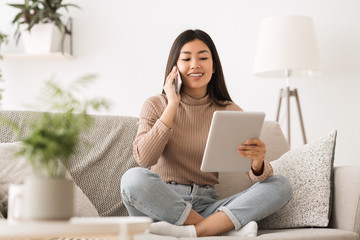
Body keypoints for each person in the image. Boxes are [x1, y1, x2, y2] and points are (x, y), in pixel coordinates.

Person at [121, 29, 292, 238]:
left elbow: (255, 175)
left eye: (203, 57)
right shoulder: (156, 105)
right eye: (186, 58)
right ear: (174, 67)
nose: (195, 65)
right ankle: (216, 228)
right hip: (163, 204)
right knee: (132, 178)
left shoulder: (230, 110)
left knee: (280, 185)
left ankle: (194, 231)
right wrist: (172, 105)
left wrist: (257, 163)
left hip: (208, 203)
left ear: (213, 67)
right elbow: (144, 158)